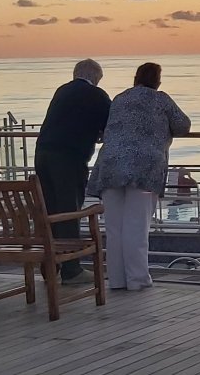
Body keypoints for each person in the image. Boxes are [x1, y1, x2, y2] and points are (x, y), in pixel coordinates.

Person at [86, 63, 191, 291]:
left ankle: (117, 280)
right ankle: (137, 279)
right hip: (144, 169)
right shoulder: (161, 99)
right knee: (137, 226)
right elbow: (183, 125)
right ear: (157, 81)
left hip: (110, 166)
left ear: (136, 78)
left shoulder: (120, 98)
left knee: (114, 228)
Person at [34, 59, 112, 285]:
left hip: (43, 153)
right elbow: (110, 125)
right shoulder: (97, 95)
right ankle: (71, 270)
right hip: (68, 158)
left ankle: (51, 264)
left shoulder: (62, 91)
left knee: (50, 208)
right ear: (95, 77)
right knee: (69, 210)